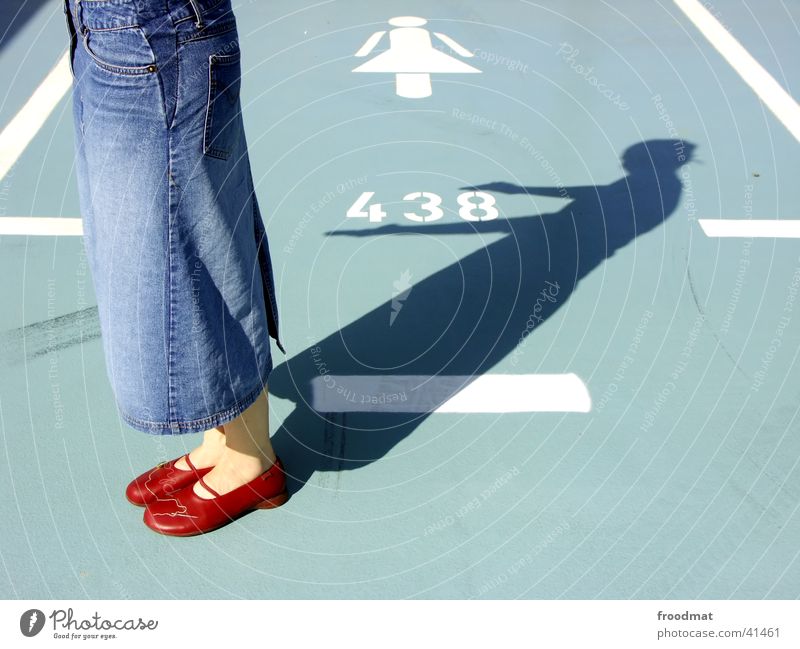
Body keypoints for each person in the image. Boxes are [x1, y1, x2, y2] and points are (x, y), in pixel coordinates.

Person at [62, 0, 288, 536]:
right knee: (190, 242)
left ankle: (250, 461)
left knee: (187, 249)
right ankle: (223, 439)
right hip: (123, 29)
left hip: (155, 33)